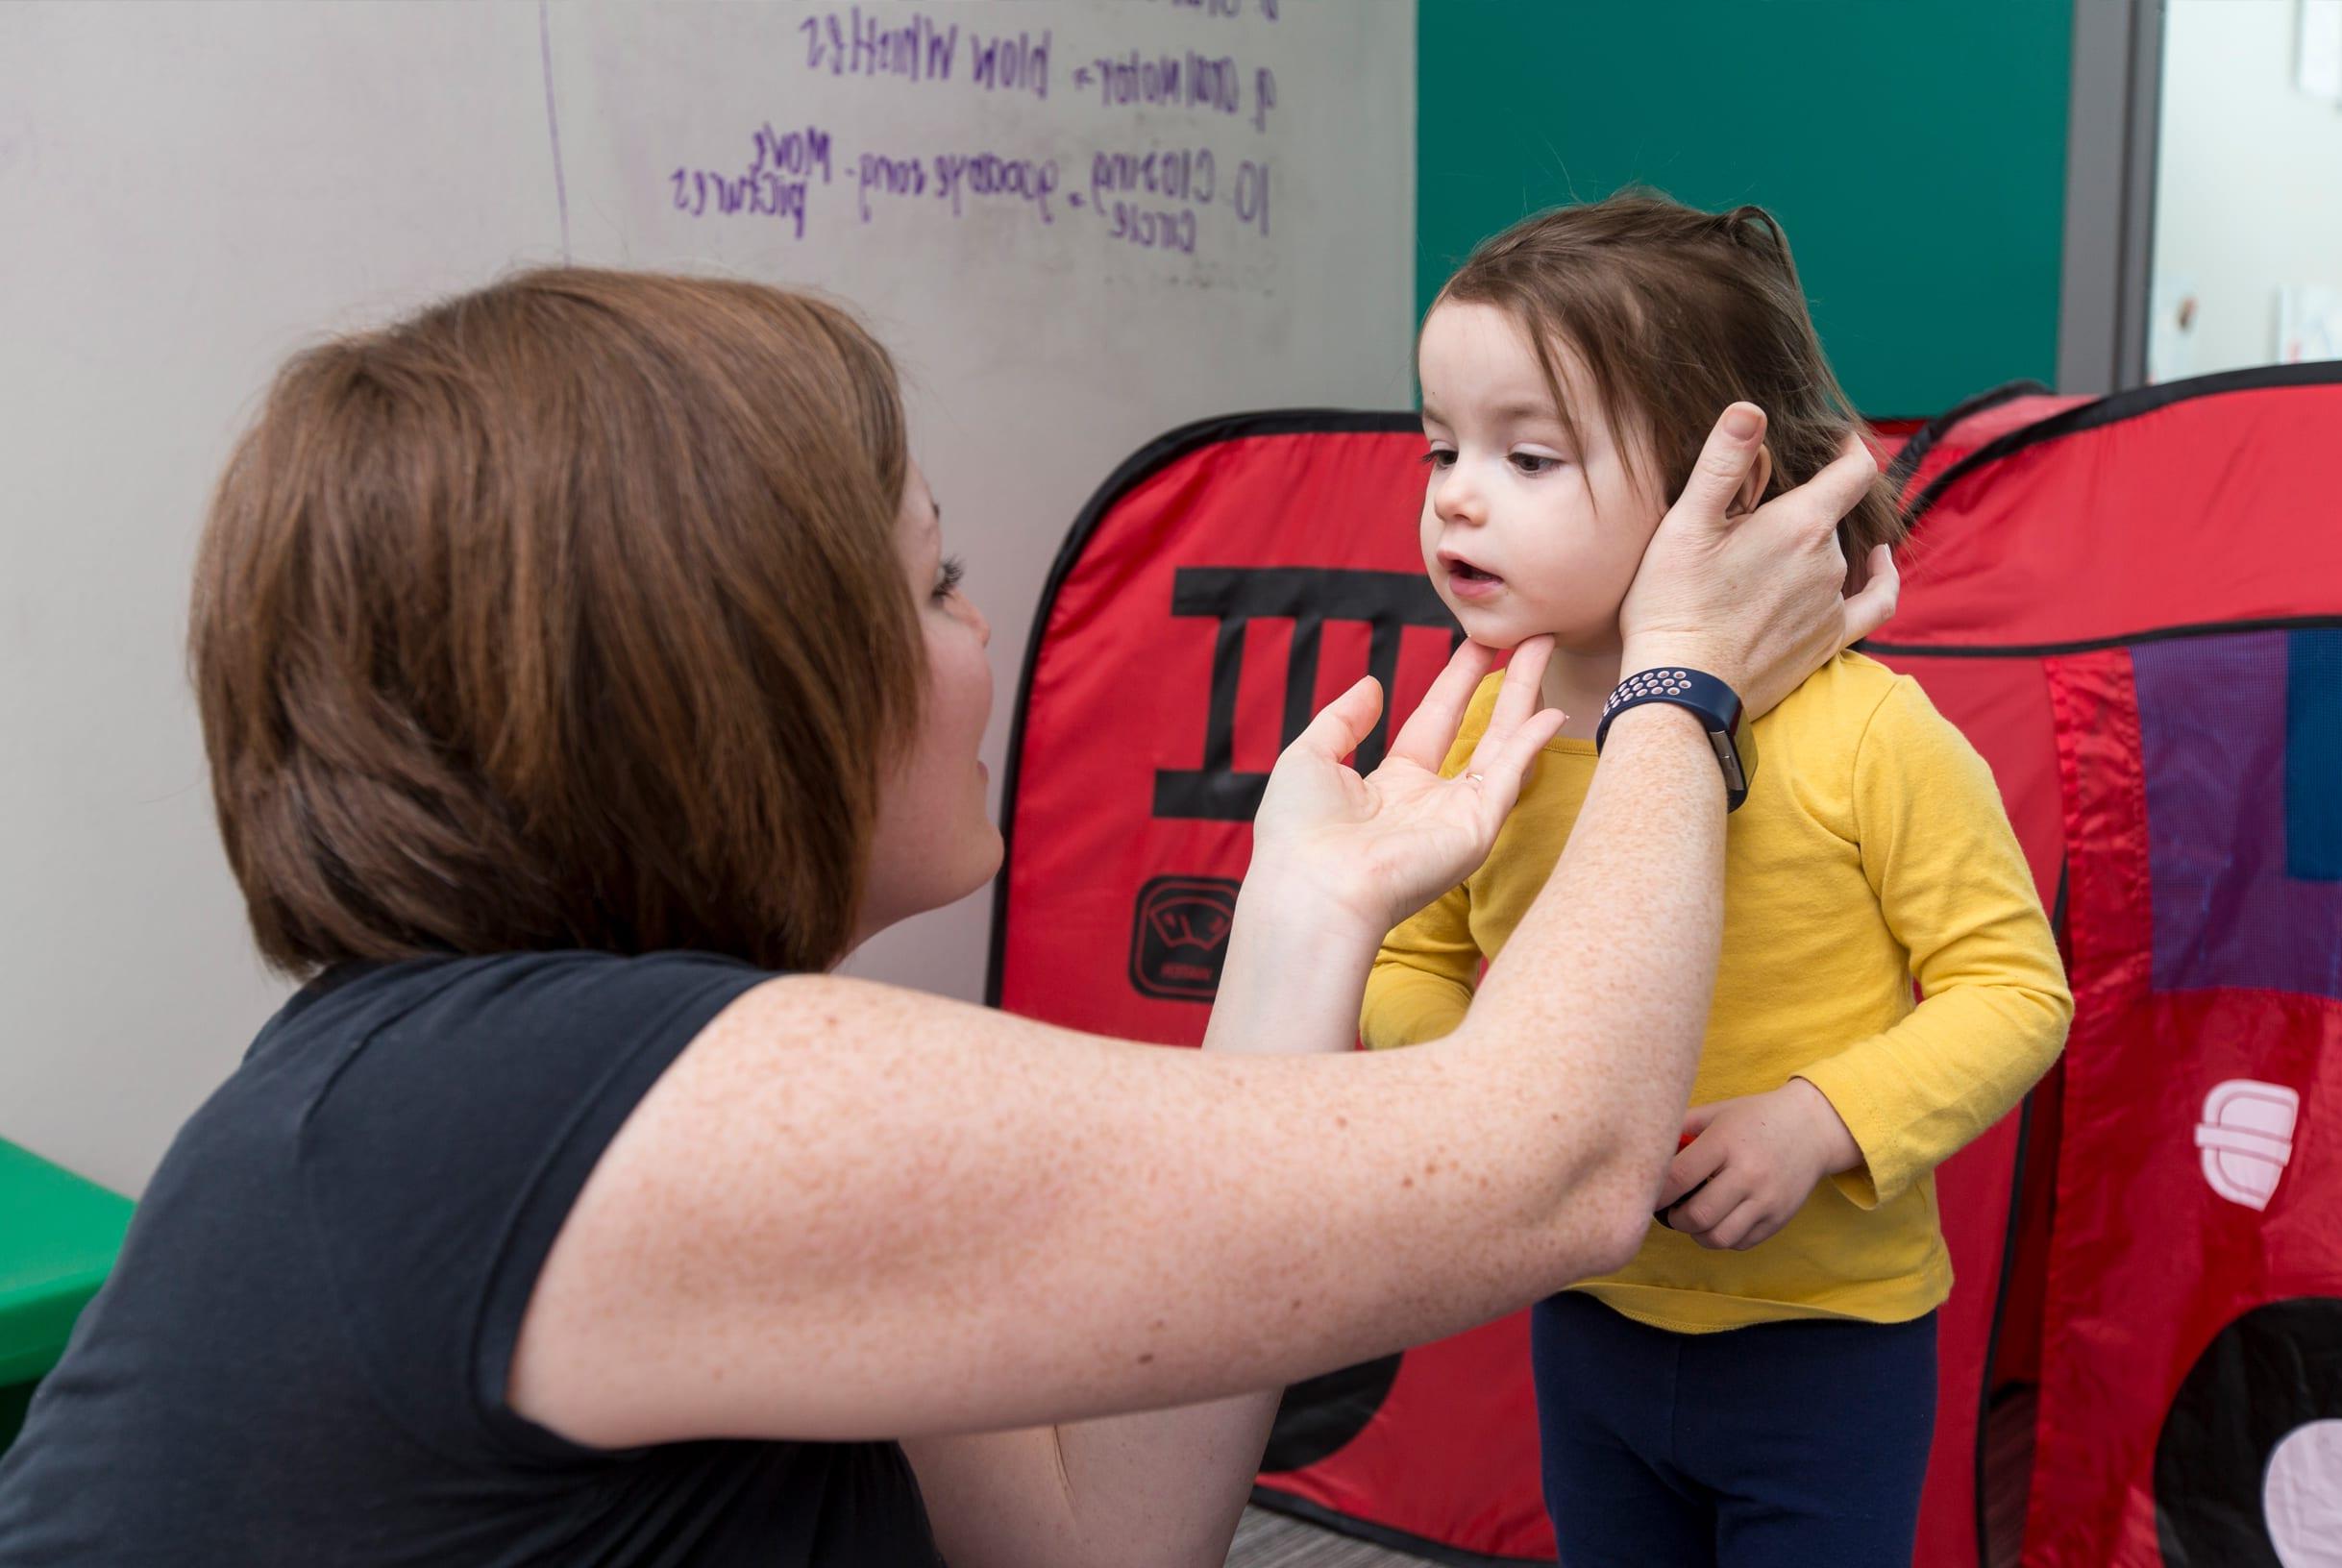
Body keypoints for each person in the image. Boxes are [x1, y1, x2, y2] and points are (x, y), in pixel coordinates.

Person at [0, 267, 1893, 1568]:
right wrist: (1678, 698)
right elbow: (1550, 1169)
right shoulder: (568, 1105)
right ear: (738, 676)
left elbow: (1094, 1538)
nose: (980, 638)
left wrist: (1300, 929)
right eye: (940, 581)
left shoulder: (528, 1086)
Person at [1362, 192, 2073, 1566]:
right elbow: (1410, 961)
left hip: (1828, 1343)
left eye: (1529, 455)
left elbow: (2013, 989)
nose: (1455, 492)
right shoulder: (1474, 729)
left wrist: (1819, 1121)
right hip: (1589, 1312)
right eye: (1442, 445)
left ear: (1724, 495)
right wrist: (1497, 1092)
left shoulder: (1870, 734)